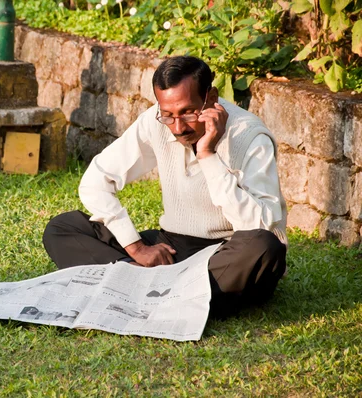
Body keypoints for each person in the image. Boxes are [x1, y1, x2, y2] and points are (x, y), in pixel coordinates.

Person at [42, 56, 288, 318]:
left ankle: (140, 290)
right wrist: (136, 249)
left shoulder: (250, 136)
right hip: (172, 249)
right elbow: (96, 181)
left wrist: (207, 155)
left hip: (226, 252)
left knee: (264, 246)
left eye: (187, 112)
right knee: (63, 228)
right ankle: (159, 289)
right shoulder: (154, 122)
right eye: (168, 115)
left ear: (212, 97)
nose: (178, 127)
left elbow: (260, 225)